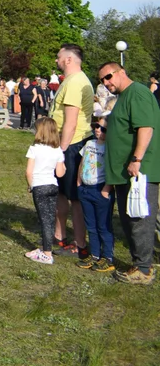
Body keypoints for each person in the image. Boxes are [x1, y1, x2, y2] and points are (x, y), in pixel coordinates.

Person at [97, 62, 160, 284]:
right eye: (102, 80)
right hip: (125, 173)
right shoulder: (124, 96)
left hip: (138, 171)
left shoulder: (138, 93)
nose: (106, 82)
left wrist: (137, 159)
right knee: (130, 219)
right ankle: (139, 263)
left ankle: (144, 269)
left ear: (122, 71)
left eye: (109, 76)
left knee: (139, 219)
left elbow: (146, 127)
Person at [51, 44, 95, 259]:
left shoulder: (76, 82)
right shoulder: (70, 80)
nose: (56, 60)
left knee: (75, 197)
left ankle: (80, 244)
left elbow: (71, 122)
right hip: (64, 145)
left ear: (68, 59)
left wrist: (61, 152)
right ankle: (59, 235)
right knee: (61, 191)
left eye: (59, 57)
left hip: (72, 145)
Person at [25, 116, 67, 265]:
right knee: (50, 218)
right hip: (53, 186)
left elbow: (29, 172)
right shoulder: (57, 150)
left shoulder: (34, 149)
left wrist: (31, 185)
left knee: (44, 220)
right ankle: (45, 247)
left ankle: (47, 254)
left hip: (39, 186)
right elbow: (60, 173)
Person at [77, 115, 115, 273]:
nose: (98, 130)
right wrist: (78, 183)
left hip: (100, 190)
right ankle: (94, 254)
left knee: (103, 226)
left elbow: (113, 171)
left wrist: (106, 189)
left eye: (103, 128)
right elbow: (82, 161)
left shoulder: (110, 148)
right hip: (85, 188)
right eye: (96, 126)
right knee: (91, 225)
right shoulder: (89, 143)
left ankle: (107, 257)